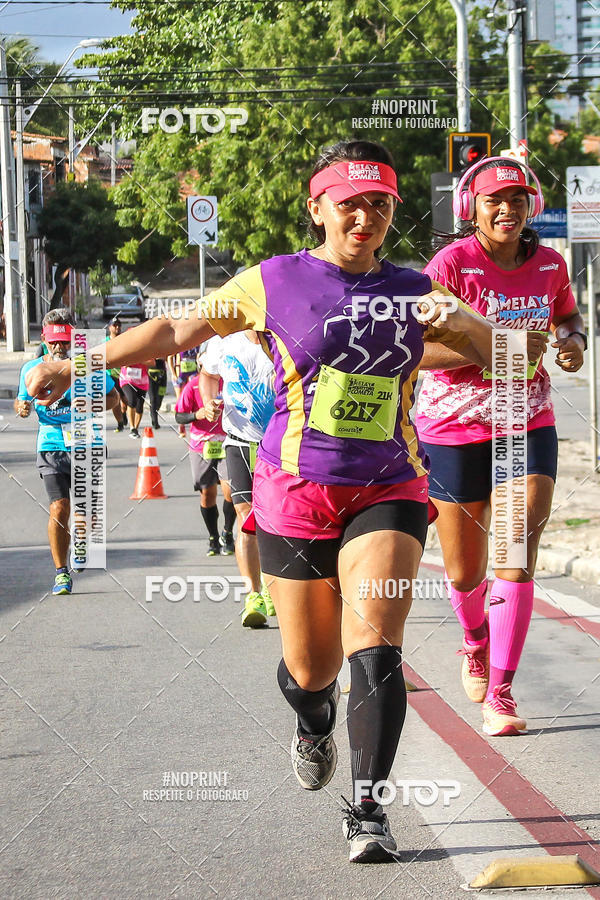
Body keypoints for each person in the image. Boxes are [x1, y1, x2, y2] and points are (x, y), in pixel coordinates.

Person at [26, 139, 495, 862]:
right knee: (311, 672)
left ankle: (368, 811)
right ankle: (313, 722)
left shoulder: (414, 289)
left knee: (376, 646)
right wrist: (78, 360)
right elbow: (175, 330)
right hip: (295, 491)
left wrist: (474, 328)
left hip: (389, 487)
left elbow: (501, 354)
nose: (365, 218)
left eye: (380, 204)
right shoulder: (271, 282)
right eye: (349, 204)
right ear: (317, 209)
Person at [416, 156, 586, 737]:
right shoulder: (450, 265)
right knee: (465, 572)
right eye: (494, 200)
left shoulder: (549, 264)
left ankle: (502, 692)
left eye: (516, 199)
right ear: (472, 207)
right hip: (454, 428)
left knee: (515, 550)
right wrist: (499, 346)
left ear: (530, 204)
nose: (507, 209)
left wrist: (572, 342)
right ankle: (474, 641)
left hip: (525, 420)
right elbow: (416, 348)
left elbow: (567, 318)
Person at [16, 309, 119, 595]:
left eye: (65, 340)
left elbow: (113, 398)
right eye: (54, 341)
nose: (59, 346)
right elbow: (22, 400)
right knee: (59, 507)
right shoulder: (31, 369)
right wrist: (22, 407)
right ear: (44, 339)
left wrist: (88, 404)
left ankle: (81, 542)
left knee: (86, 509)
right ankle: (61, 573)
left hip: (87, 441)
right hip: (50, 444)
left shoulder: (89, 365)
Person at [200, 331, 276, 627]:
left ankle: (272, 584)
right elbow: (207, 375)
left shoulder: (282, 336)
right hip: (239, 441)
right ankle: (253, 595)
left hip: (279, 443)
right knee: (246, 517)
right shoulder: (224, 341)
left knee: (276, 519)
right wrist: (208, 402)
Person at [174, 360, 236, 557]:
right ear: (200, 364)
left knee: (230, 491)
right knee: (207, 494)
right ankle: (213, 537)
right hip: (202, 446)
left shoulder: (230, 382)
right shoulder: (192, 386)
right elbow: (179, 416)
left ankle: (227, 533)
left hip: (227, 442)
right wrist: (197, 414)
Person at [168, 346, 200, 437]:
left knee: (194, 399)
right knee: (180, 399)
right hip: (180, 374)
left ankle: (194, 423)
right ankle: (181, 425)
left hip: (193, 372)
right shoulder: (182, 343)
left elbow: (199, 357)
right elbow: (170, 357)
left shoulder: (197, 344)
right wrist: (173, 373)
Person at [105, 317, 127, 432]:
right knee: (115, 400)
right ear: (109, 327)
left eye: (119, 325)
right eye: (114, 325)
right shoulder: (105, 342)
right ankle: (120, 423)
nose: (117, 327)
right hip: (110, 376)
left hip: (124, 375)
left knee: (126, 400)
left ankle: (124, 414)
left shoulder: (124, 340)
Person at [119, 359, 150, 438]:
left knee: (139, 406)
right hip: (127, 379)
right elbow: (122, 362)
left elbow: (152, 363)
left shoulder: (146, 352)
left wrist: (139, 360)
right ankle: (132, 427)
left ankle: (135, 429)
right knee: (132, 400)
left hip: (142, 381)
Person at [147, 358, 167, 429]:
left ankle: (153, 411)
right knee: (153, 399)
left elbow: (168, 357)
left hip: (162, 374)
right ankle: (155, 421)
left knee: (160, 399)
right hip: (151, 373)